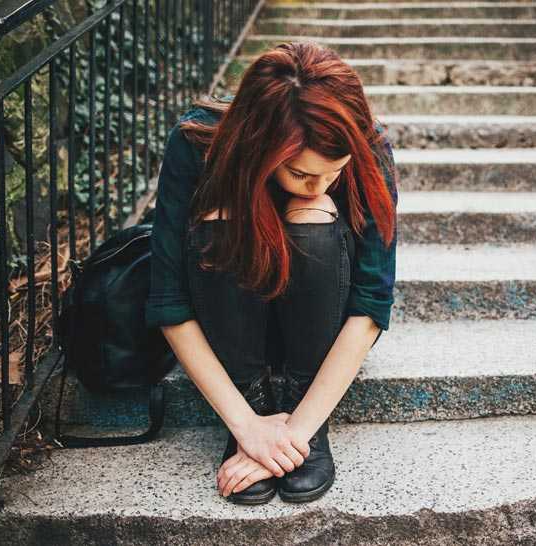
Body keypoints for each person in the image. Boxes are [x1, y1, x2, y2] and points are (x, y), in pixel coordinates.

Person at [145, 41, 398, 504]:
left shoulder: (369, 144)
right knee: (222, 217)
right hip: (229, 319)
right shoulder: (197, 143)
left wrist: (296, 433)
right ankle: (256, 397)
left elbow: (371, 303)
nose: (321, 184)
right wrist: (248, 427)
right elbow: (169, 300)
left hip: (321, 328)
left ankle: (300, 400)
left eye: (334, 171)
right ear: (261, 146)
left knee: (312, 214)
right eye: (302, 173)